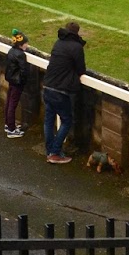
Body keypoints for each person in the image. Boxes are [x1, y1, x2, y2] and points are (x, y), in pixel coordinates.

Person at [41, 21, 87, 164]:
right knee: (67, 121)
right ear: (77, 33)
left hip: (47, 86)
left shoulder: (58, 43)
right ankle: (54, 153)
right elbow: (81, 69)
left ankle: (50, 150)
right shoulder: (77, 47)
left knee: (49, 120)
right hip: (60, 91)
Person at [3, 29, 32, 138]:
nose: (27, 45)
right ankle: (11, 129)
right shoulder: (21, 55)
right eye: (26, 43)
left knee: (9, 101)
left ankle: (8, 124)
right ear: (21, 44)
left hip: (11, 80)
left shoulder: (11, 51)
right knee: (12, 104)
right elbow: (24, 70)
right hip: (17, 82)